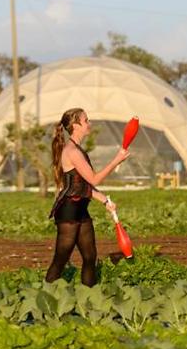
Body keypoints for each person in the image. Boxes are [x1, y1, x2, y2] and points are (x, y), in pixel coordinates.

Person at [45, 108, 130, 286]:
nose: (89, 123)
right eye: (86, 121)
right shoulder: (72, 151)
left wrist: (104, 200)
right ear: (76, 126)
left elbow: (82, 186)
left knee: (90, 257)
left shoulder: (77, 149)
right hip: (68, 212)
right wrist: (116, 160)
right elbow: (94, 179)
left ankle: (89, 299)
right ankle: (45, 298)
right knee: (61, 259)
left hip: (80, 210)